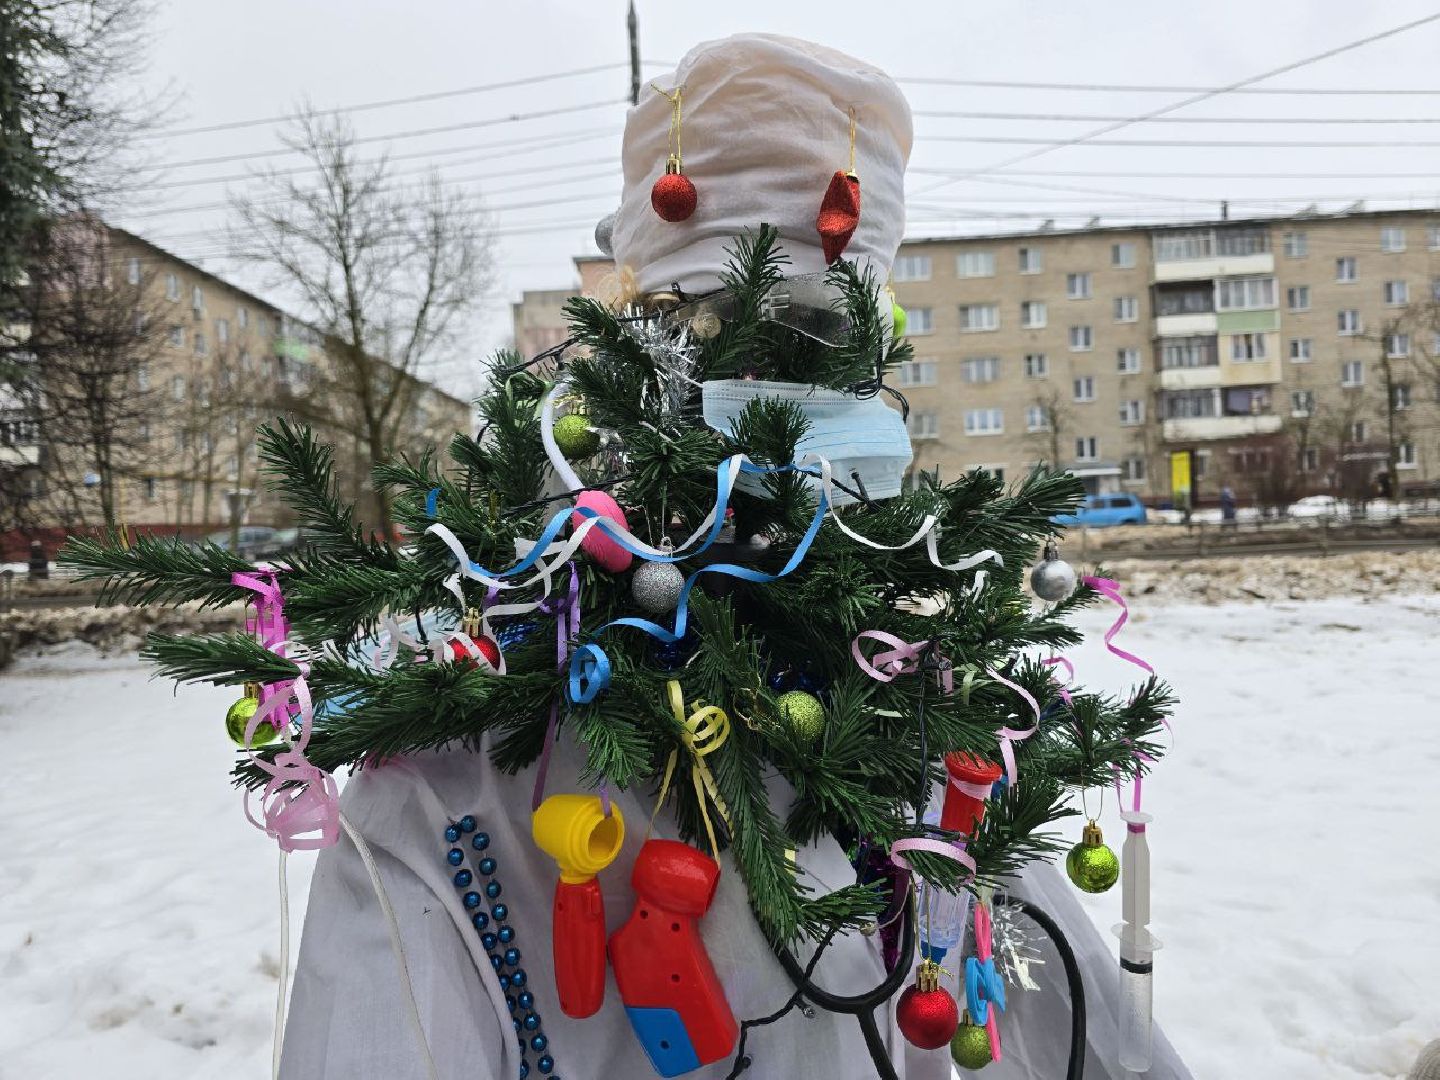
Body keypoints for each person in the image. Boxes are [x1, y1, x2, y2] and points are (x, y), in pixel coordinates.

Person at [278, 34, 1193, 1080]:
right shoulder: (459, 780)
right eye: (727, 337)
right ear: (643, 361)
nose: (778, 421)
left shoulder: (920, 720)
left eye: (817, 351)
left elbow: (1080, 1034)